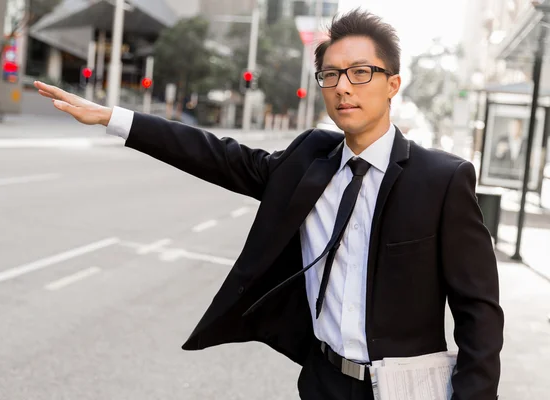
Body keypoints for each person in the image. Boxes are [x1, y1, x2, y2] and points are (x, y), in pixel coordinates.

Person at [34, 9, 503, 400]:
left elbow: (479, 312)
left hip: (404, 390)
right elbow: (216, 155)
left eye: (362, 73)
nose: (344, 87)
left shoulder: (442, 179)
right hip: (322, 381)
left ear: (393, 83)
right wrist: (116, 119)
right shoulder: (308, 162)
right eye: (331, 75)